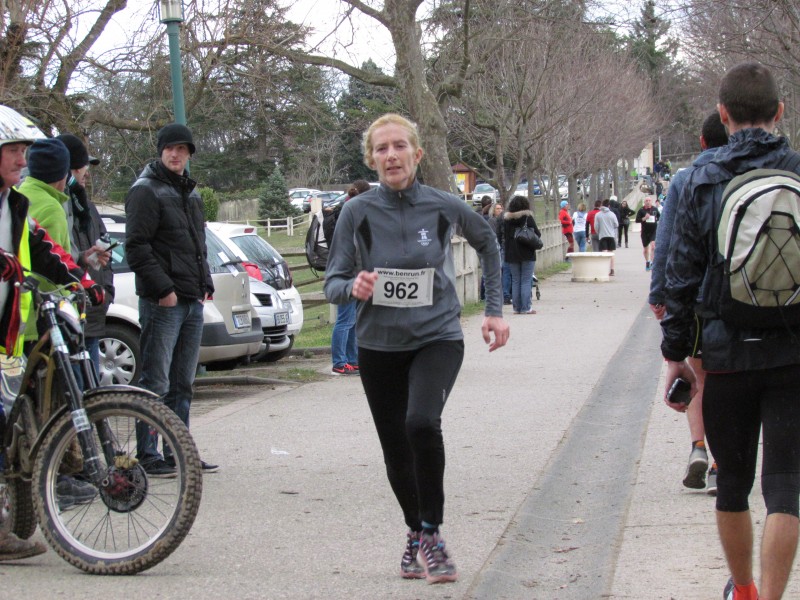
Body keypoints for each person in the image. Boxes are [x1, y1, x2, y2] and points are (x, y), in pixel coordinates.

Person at [323, 113, 509, 584]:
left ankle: (432, 533)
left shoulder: (443, 205)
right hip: (378, 345)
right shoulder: (356, 212)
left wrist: (493, 310)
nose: (391, 156)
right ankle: (414, 531)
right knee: (395, 448)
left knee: (421, 423)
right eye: (381, 149)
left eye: (399, 146)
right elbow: (332, 282)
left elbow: (489, 244)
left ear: (417, 154)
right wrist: (353, 287)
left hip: (436, 337)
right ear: (372, 159)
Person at [661, 62, 800, 600]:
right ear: (779, 112)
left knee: (734, 487)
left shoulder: (700, 179)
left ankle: (743, 591)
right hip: (792, 352)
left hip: (724, 354)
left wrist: (677, 354)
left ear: (723, 114)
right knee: (785, 490)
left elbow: (680, 277)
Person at [0, 104, 103, 561]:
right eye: (12, 150)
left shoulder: (16, 204)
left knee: (9, 421)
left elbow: (45, 249)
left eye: (24, 150)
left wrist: (83, 282)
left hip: (8, 332)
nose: (22, 159)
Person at [125, 123, 217, 477]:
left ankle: (179, 450)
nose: (176, 154)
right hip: (163, 302)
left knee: (182, 383)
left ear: (190, 154)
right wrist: (163, 289)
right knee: (155, 382)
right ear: (160, 151)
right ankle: (148, 454)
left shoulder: (190, 193)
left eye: (183, 149)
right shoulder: (145, 191)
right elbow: (137, 247)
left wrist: (205, 281)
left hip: (192, 298)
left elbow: (198, 244)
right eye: (170, 149)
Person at [649, 110, 729, 494]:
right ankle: (720, 464)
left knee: (697, 374)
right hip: (735, 294)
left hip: (694, 294)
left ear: (701, 142)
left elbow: (666, 240)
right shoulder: (746, 173)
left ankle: (699, 446)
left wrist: (658, 293)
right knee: (725, 379)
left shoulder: (685, 179)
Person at [56, 133, 114, 376]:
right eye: (82, 166)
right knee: (77, 385)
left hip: (92, 310)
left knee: (91, 384)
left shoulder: (86, 206)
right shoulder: (58, 205)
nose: (86, 172)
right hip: (71, 309)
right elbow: (61, 256)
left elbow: (105, 244)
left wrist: (107, 290)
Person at [325, 179, 370, 375]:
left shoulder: (351, 210)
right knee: (344, 320)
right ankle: (339, 362)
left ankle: (353, 359)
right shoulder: (351, 214)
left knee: (353, 319)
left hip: (354, 273)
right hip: (347, 274)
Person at [503, 195, 540, 315]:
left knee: (515, 280)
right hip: (527, 252)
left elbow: (504, 236)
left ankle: (516, 307)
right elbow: (537, 233)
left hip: (511, 253)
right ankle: (526, 307)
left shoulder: (507, 220)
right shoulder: (527, 218)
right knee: (526, 280)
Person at [488, 202, 512, 303]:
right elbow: (495, 234)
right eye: (497, 208)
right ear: (493, 210)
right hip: (499, 247)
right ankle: (504, 294)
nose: (499, 210)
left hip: (503, 246)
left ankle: (507, 293)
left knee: (506, 271)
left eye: (500, 208)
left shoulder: (504, 218)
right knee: (503, 270)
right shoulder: (492, 221)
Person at [594, 199, 618, 276]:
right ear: (609, 206)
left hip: (602, 235)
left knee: (604, 252)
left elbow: (596, 226)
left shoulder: (598, 214)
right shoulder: (612, 214)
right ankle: (612, 269)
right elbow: (616, 224)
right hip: (611, 235)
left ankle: (604, 269)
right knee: (611, 253)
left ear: (602, 205)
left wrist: (599, 232)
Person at [635, 196, 659, 271]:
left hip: (653, 231)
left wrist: (657, 221)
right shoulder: (641, 210)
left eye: (649, 200)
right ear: (644, 202)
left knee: (653, 246)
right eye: (646, 201)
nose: (648, 202)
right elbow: (637, 220)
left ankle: (652, 262)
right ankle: (647, 261)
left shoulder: (655, 209)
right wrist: (644, 218)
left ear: (651, 202)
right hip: (645, 232)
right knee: (646, 249)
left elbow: (659, 217)